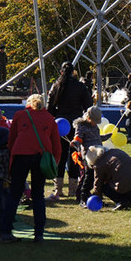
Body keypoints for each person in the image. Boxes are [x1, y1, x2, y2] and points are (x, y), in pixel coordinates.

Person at [5, 94, 61, 242]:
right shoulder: (50, 118)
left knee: (14, 194)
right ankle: (39, 233)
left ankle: (6, 230)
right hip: (40, 157)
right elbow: (57, 145)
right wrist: (53, 162)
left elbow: (12, 139)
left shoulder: (20, 115)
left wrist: (11, 157)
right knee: (38, 195)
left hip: (21, 155)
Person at [47, 61, 93, 202]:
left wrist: (57, 116)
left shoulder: (57, 86)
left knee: (59, 155)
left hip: (60, 125)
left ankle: (57, 189)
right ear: (74, 72)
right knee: (74, 155)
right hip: (76, 124)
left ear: (61, 71)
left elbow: (49, 107)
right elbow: (88, 105)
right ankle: (73, 189)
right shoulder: (80, 86)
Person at [85, 146, 131, 211]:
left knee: (105, 187)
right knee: (123, 182)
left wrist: (96, 198)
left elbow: (98, 184)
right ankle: (129, 202)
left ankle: (122, 202)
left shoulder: (99, 165)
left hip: (129, 183)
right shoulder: (115, 151)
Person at [71, 106, 111, 206]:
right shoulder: (81, 126)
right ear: (88, 118)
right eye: (95, 121)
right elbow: (78, 138)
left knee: (99, 176)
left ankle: (97, 197)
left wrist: (106, 136)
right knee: (87, 177)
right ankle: (82, 198)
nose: (96, 123)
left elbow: (96, 137)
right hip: (89, 156)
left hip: (98, 154)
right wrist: (75, 143)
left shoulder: (94, 126)